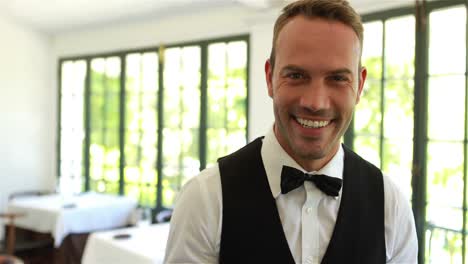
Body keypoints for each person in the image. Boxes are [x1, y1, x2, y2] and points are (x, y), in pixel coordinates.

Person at [164, 0, 418, 263]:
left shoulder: (392, 206)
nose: (315, 103)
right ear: (269, 77)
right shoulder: (205, 199)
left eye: (338, 78)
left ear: (360, 85)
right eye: (296, 76)